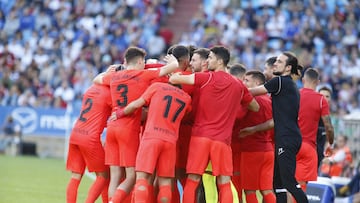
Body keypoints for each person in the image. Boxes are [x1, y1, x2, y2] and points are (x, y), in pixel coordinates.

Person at [169, 46, 259, 203]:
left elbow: (174, 79)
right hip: (222, 141)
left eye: (210, 58)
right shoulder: (238, 84)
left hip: (200, 138)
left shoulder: (206, 77)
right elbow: (255, 107)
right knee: (224, 183)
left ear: (220, 61)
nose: (208, 60)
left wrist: (173, 65)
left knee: (192, 181)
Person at [93, 46, 180, 202]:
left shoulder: (115, 76)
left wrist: (108, 71)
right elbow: (173, 68)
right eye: (143, 62)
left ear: (126, 61)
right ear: (140, 61)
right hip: (128, 128)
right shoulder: (143, 74)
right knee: (132, 176)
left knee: (115, 176)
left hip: (112, 127)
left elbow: (96, 79)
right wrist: (172, 60)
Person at [111, 82, 192, 203]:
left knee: (142, 178)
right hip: (170, 141)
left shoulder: (157, 86)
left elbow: (136, 104)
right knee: (165, 183)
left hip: (152, 137)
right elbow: (186, 112)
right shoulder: (186, 98)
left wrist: (120, 113)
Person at [248, 52, 309, 202]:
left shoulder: (280, 82)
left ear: (288, 68)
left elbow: (251, 92)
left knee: (288, 181)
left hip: (287, 138)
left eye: (279, 62)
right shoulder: (288, 84)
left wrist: (230, 85)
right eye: (275, 61)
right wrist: (254, 129)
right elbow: (277, 120)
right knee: (278, 183)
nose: (275, 63)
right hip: (288, 137)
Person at [65, 83, 112, 203]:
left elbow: (95, 114)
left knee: (75, 176)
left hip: (75, 133)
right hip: (89, 137)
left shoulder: (90, 89)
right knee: (103, 175)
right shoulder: (109, 94)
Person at [238, 70, 276, 203]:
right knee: (266, 190)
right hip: (268, 150)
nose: (244, 83)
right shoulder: (271, 101)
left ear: (258, 83)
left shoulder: (250, 101)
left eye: (247, 80)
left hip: (252, 150)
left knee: (249, 190)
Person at [296, 68, 335, 192]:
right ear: (317, 82)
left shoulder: (295, 94)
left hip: (290, 144)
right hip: (308, 146)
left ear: (303, 80)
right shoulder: (320, 99)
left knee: (288, 185)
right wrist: (331, 143)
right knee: (301, 185)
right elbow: (328, 126)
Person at [316, 85, 333, 168]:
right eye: (322, 96)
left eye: (327, 96)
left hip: (320, 157)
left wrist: (327, 154)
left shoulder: (328, 117)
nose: (325, 98)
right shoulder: (312, 114)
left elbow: (327, 140)